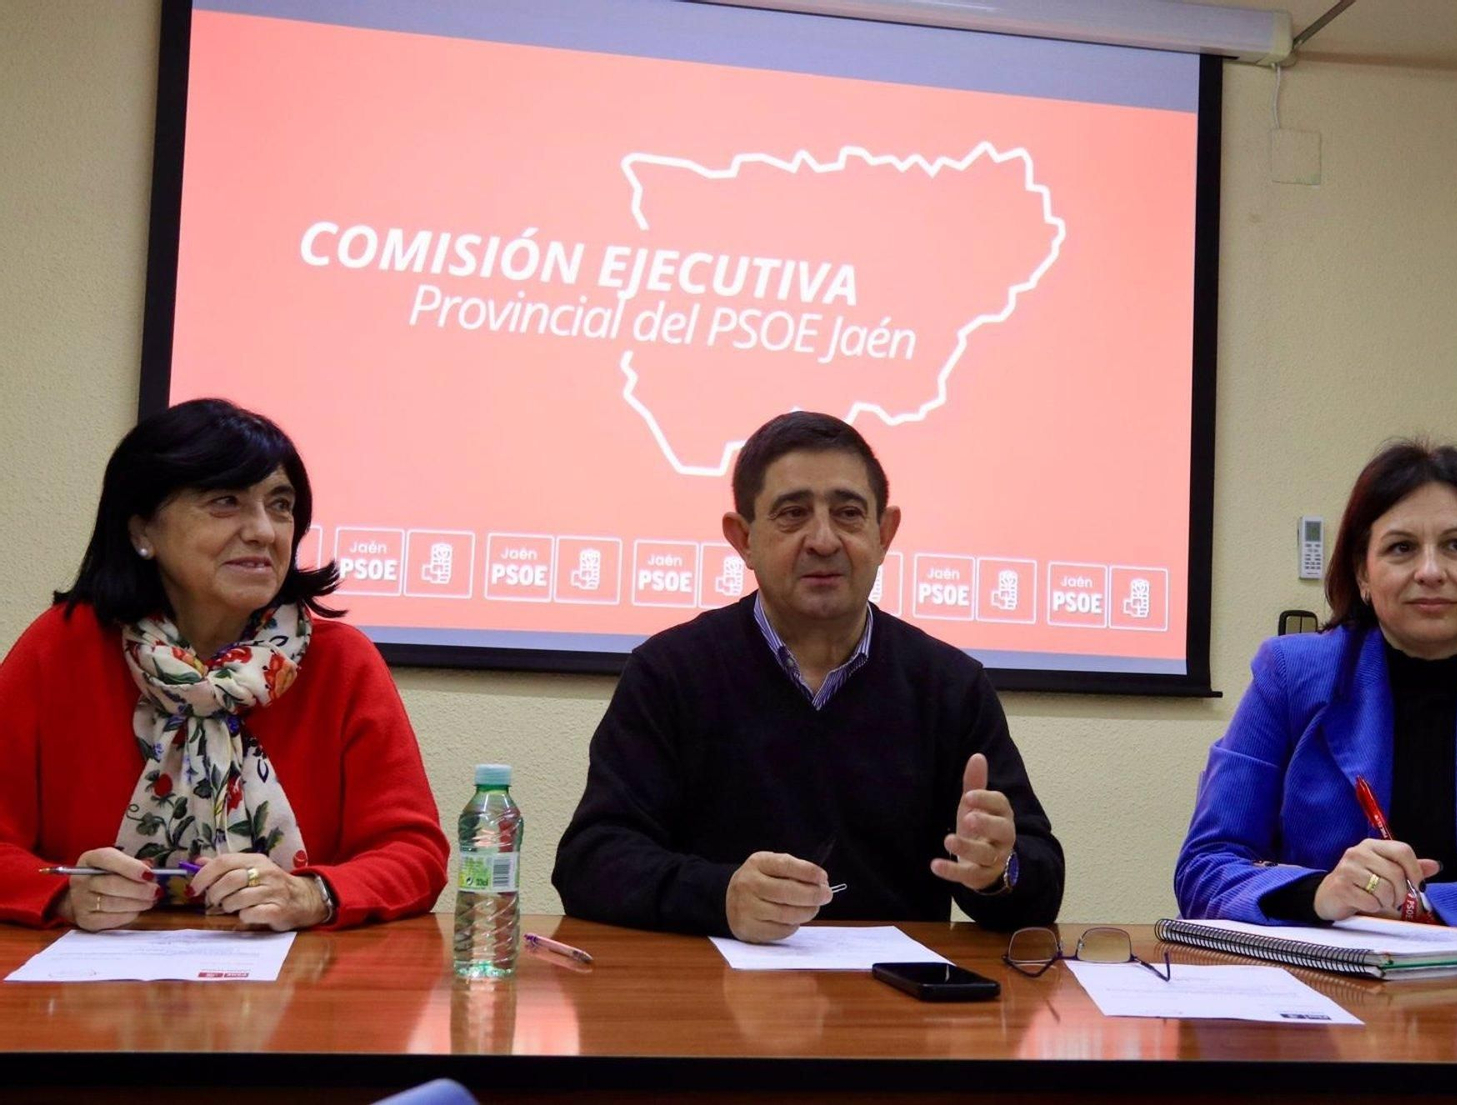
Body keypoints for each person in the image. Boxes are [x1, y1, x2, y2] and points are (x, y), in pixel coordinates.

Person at [553, 411, 1063, 942]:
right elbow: (591, 860)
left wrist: (999, 871)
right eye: (793, 514)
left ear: (884, 533)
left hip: (896, 1007)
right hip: (712, 1002)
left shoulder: (950, 686)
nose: (823, 540)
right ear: (743, 539)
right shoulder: (671, 672)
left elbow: (1040, 880)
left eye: (848, 514)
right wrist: (719, 895)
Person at [0, 399, 449, 931]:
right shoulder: (63, 647)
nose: (263, 531)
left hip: (299, 984)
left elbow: (413, 851)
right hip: (89, 991)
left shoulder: (339, 660)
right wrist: (63, 895)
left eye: (280, 505)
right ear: (143, 530)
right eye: (225, 502)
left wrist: (312, 894)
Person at [1175, 440, 1457, 945]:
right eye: (1401, 548)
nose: (1430, 571)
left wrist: (1425, 906)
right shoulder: (1289, 675)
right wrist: (1319, 893)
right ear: (1362, 572)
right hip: (1323, 996)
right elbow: (1204, 868)